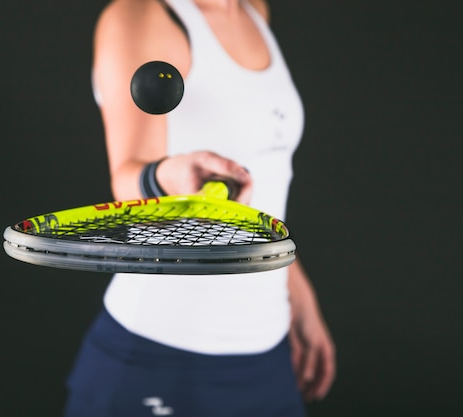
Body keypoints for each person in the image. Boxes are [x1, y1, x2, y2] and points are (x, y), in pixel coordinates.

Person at [64, 0, 336, 416]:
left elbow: (262, 201)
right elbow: (128, 179)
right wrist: (168, 176)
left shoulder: (252, 12)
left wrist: (300, 298)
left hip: (266, 352)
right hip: (163, 355)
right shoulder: (144, 16)